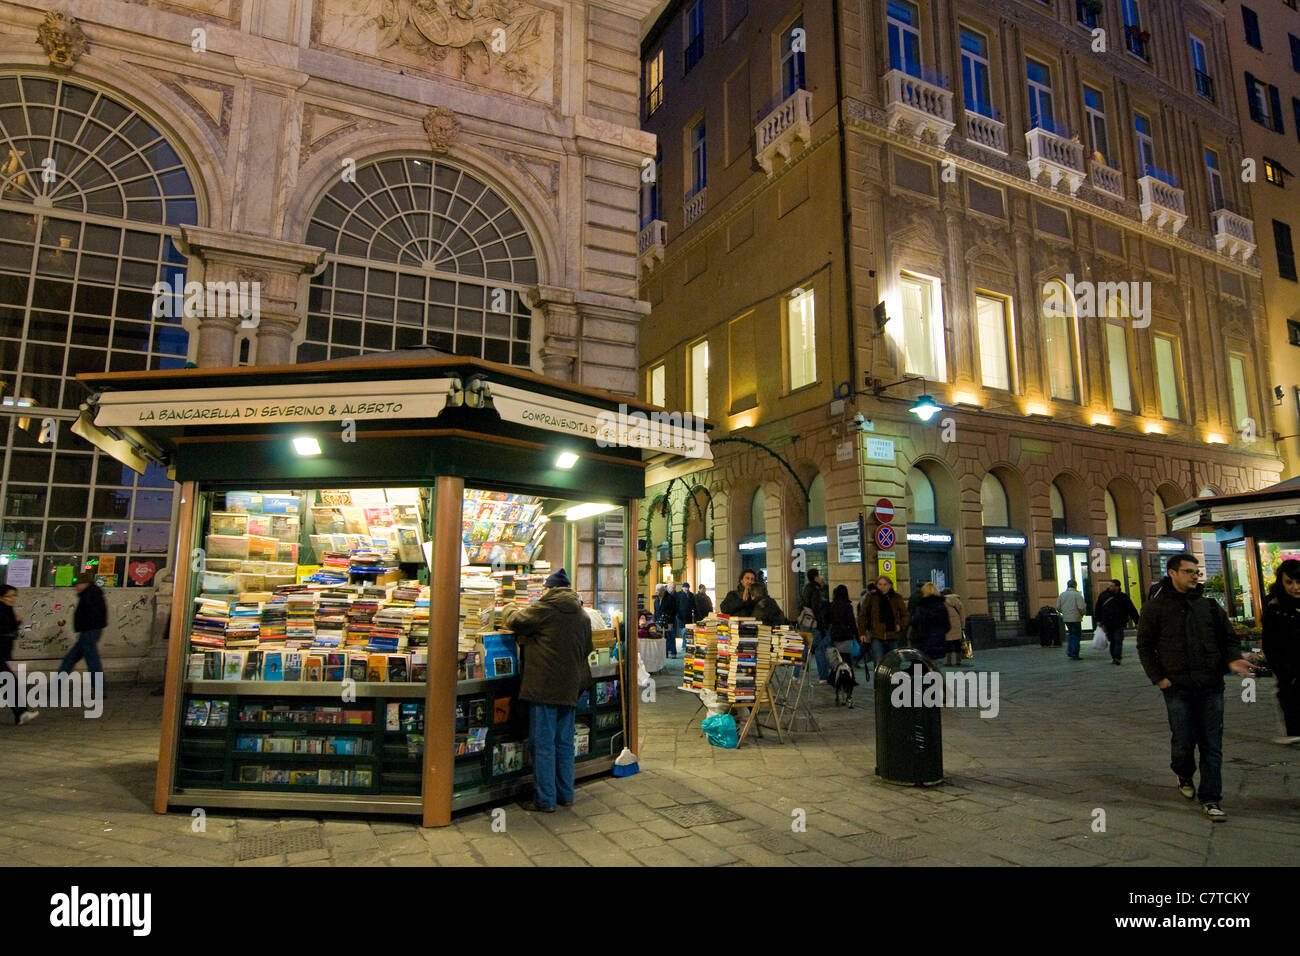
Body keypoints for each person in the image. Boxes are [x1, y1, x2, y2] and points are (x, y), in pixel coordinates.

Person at [1137, 552, 1256, 820]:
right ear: (1173, 573)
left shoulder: (1209, 606)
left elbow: (1228, 639)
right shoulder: (1155, 608)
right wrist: (1159, 678)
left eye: (1196, 571)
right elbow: (1145, 646)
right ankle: (1183, 773)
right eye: (1189, 571)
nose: (1195, 576)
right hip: (1177, 686)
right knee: (1183, 741)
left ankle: (1212, 799)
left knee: (1212, 744)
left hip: (1211, 685)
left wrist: (1234, 660)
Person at [502, 567, 593, 813]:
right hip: (569, 688)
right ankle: (566, 794)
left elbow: (515, 621)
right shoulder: (582, 615)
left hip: (543, 688)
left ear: (550, 589)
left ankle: (545, 800)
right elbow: (587, 649)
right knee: (564, 743)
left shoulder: (545, 608)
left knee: (543, 744)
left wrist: (508, 605)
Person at [1261, 558, 1300, 745]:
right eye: (1289, 582)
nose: (1295, 587)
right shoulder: (1274, 609)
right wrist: (1287, 674)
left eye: (1299, 582)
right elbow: (1270, 646)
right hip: (1291, 672)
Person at [60, 572, 108, 690]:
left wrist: (84, 628)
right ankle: (57, 685)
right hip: (88, 631)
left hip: (89, 632)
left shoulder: (90, 594)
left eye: (78, 584)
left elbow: (90, 614)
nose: (76, 587)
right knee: (70, 659)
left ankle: (99, 689)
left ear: (85, 583)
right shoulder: (91, 593)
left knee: (91, 661)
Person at [1, 585, 37, 724]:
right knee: (9, 681)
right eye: (9, 596)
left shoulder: (7, 609)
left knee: (8, 681)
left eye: (14, 596)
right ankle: (21, 713)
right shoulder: (2, 610)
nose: (12, 599)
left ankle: (21, 713)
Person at [859, 575, 909, 667]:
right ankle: (880, 680)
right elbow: (863, 615)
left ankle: (892, 680)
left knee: (893, 663)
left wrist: (900, 625)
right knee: (879, 663)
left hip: (893, 634)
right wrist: (862, 632)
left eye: (885, 584)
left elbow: (905, 614)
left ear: (890, 585)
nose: (882, 587)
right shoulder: (871, 598)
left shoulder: (896, 597)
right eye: (880, 584)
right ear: (876, 585)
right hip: (876, 635)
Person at [1095, 579, 1139, 665]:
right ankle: (1114, 656)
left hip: (1120, 622)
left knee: (1118, 639)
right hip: (1108, 622)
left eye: (1112, 585)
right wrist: (1098, 620)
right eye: (1109, 585)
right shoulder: (1103, 595)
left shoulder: (1123, 597)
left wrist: (1137, 621)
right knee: (1112, 640)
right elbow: (1098, 608)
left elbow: (1131, 609)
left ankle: (1117, 657)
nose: (1109, 587)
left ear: (1117, 587)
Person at [801, 568, 831, 683]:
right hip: (814, 624)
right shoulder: (815, 589)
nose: (820, 578)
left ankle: (799, 671)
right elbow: (816, 608)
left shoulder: (806, 588)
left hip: (806, 622)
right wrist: (821, 624)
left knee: (805, 646)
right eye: (819, 576)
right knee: (819, 649)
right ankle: (823, 676)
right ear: (815, 577)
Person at [911, 582, 950, 661]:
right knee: (933, 662)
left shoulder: (921, 605)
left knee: (918, 662)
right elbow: (947, 625)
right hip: (938, 639)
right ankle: (933, 672)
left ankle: (919, 672)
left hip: (922, 639)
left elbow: (916, 622)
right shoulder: (941, 606)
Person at [826, 584, 858, 666]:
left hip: (835, 635)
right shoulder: (848, 606)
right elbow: (852, 622)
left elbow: (828, 620)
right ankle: (848, 676)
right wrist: (857, 635)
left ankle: (838, 676)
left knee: (837, 660)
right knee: (847, 660)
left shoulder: (831, 605)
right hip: (846, 635)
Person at [1057, 579, 1086, 660]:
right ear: (1075, 585)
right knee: (1076, 636)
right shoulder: (1077, 595)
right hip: (1076, 618)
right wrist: (1082, 614)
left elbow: (1058, 607)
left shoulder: (1062, 595)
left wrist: (1064, 613)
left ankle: (1070, 651)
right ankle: (1075, 653)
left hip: (1066, 619)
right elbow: (1081, 608)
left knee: (1070, 634)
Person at [941, 587, 965, 666]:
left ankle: (949, 661)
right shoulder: (958, 601)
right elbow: (962, 615)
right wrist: (962, 626)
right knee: (957, 643)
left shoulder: (943, 602)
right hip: (957, 624)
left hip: (947, 625)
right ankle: (958, 660)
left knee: (948, 644)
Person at [658, 582, 678, 658]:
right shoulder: (661, 598)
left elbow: (675, 608)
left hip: (670, 619)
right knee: (665, 637)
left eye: (673, 587)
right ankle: (666, 652)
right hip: (664, 619)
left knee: (671, 636)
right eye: (671, 587)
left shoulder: (672, 597)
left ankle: (672, 652)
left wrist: (670, 616)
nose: (672, 589)